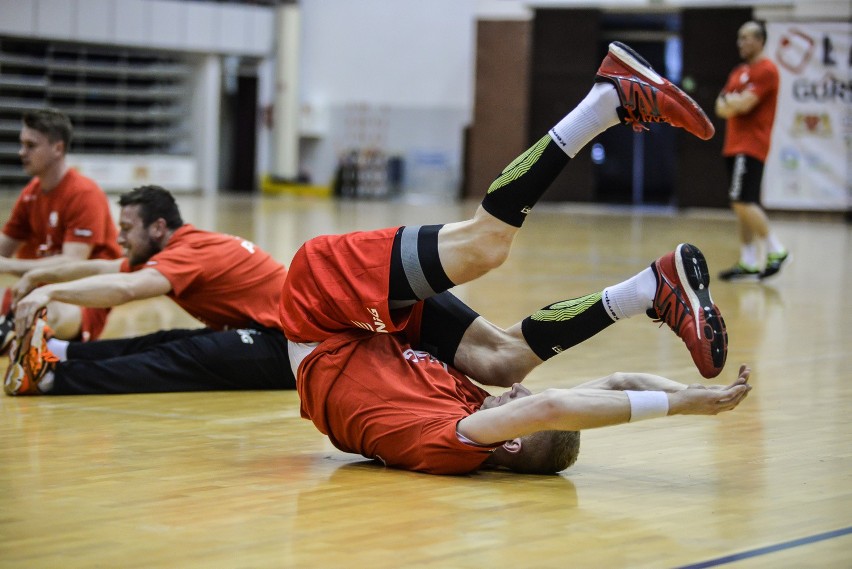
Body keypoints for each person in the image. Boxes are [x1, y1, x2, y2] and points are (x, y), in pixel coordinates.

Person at [274, 42, 746, 475]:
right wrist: (690, 395)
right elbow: (617, 382)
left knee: (487, 260)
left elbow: (554, 409)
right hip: (361, 329)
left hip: (319, 309)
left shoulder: (450, 443)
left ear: (514, 443)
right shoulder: (482, 415)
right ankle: (647, 289)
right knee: (502, 352)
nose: (523, 395)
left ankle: (608, 105)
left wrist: (678, 409)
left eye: (524, 406)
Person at [4, 185, 294, 395]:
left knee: (181, 354)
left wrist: (49, 293)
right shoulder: (180, 246)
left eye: (127, 229)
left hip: (288, 351)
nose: (120, 238)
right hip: (264, 335)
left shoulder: (189, 253)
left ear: (157, 228)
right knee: (163, 339)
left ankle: (51, 378)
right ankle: (62, 351)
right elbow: (103, 268)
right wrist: (37, 275)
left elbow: (128, 288)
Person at [0, 108, 122, 351]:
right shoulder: (31, 193)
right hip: (32, 291)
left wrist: (10, 265)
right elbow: (3, 246)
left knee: (47, 311)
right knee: (29, 304)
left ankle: (13, 328)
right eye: (21, 144)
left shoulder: (84, 193)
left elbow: (72, 263)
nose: (21, 152)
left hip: (80, 298)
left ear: (57, 148)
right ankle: (12, 327)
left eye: (30, 145)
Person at [715, 21, 789, 280]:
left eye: (746, 37)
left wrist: (734, 102)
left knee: (743, 201)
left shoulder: (767, 70)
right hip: (733, 145)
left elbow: (744, 105)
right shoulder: (738, 71)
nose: (740, 43)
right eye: (739, 37)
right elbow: (720, 106)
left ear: (760, 41)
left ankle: (776, 249)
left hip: (751, 145)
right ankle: (748, 261)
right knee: (740, 204)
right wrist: (732, 102)